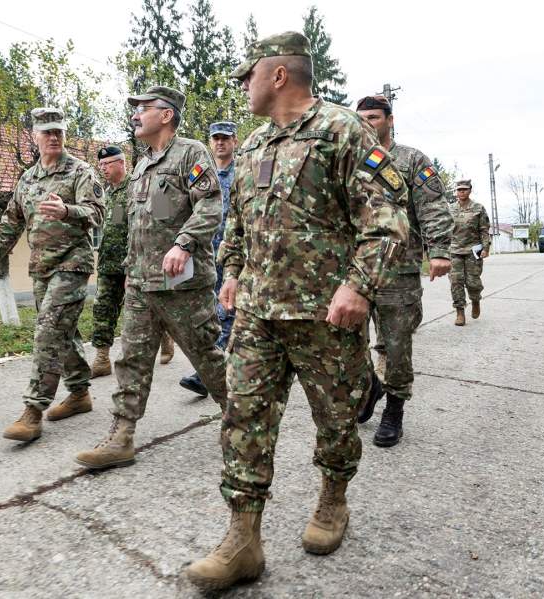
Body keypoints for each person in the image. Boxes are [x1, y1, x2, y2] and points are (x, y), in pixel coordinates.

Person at [184, 33, 409, 591]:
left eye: (248, 74)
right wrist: (232, 270)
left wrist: (358, 286)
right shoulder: (256, 142)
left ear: (278, 75)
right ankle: (243, 538)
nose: (242, 85)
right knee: (243, 419)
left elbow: (386, 219)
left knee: (336, 419)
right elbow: (235, 224)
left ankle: (333, 500)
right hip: (258, 314)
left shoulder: (342, 131)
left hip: (325, 317)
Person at [74, 86, 228, 470]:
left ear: (166, 114)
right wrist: (130, 270)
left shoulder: (191, 153)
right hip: (142, 283)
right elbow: (141, 225)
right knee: (131, 359)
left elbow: (210, 205)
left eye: (144, 107)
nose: (136, 114)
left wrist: (184, 243)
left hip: (183, 285)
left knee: (208, 359)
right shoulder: (142, 164)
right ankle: (122, 435)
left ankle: (240, 418)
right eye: (135, 108)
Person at [0, 108, 105, 442]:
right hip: (41, 268)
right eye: (46, 132)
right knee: (65, 332)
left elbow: (98, 214)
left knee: (48, 331)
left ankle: (33, 411)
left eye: (58, 131)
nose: (53, 137)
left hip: (72, 264)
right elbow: (11, 222)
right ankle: (79, 393)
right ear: (35, 136)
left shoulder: (81, 171)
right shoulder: (28, 179)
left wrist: (68, 210)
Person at [354, 94, 453, 448]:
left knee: (396, 345)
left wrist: (440, 250)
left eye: (375, 117)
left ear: (390, 120)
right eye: (362, 117)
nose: (368, 123)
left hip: (399, 267)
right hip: (354, 269)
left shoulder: (411, 160)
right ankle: (369, 386)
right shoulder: (348, 160)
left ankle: (394, 408)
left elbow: (433, 206)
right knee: (346, 342)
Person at [178, 120, 237, 397]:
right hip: (205, 255)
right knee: (210, 313)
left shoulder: (243, 172)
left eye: (225, 138)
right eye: (216, 138)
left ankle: (212, 372)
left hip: (234, 255)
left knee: (228, 311)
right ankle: (222, 367)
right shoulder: (201, 173)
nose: (220, 143)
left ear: (234, 141)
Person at [89, 145, 130, 378]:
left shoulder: (136, 187)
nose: (103, 168)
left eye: (108, 164)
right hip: (108, 264)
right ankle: (102, 358)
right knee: (102, 307)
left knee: (143, 311)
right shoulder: (105, 193)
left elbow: (148, 226)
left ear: (122, 163)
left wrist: (132, 265)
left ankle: (164, 337)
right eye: (101, 165)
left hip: (132, 262)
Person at [448, 179, 491, 326]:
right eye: (459, 189)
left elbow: (484, 230)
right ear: (456, 191)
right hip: (454, 249)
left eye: (464, 189)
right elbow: (444, 230)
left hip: (475, 249)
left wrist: (485, 248)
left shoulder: (478, 208)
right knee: (455, 281)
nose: (462, 192)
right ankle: (460, 312)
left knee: (473, 281)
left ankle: (475, 300)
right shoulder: (450, 209)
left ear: (470, 190)